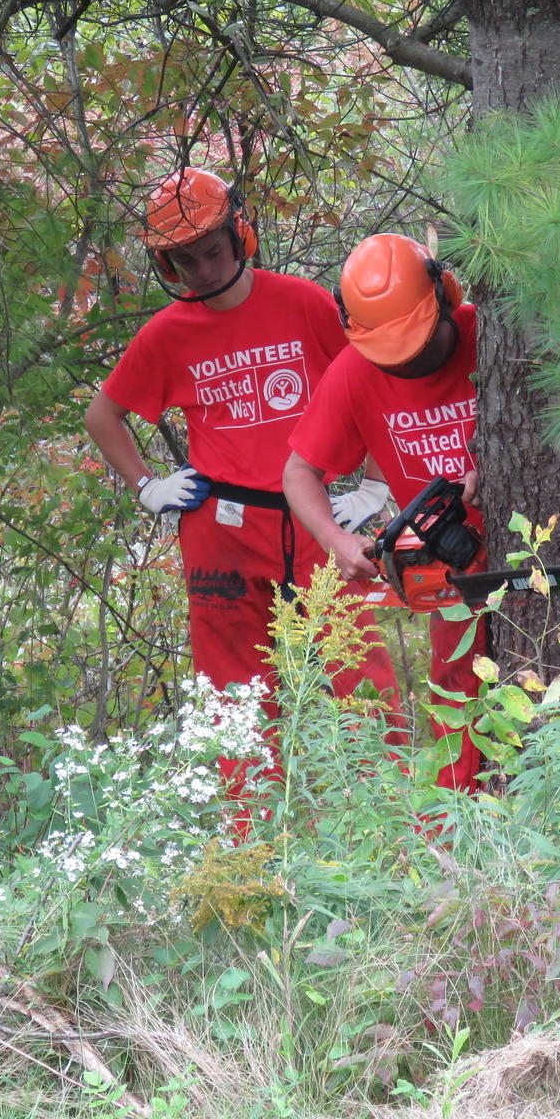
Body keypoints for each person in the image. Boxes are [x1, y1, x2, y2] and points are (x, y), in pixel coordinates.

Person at [85, 167, 398, 802]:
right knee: (236, 689)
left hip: (315, 518)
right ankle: (249, 840)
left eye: (211, 251)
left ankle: (388, 817)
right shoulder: (168, 333)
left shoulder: (302, 301)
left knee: (359, 669)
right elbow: (102, 416)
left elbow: (376, 383)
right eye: (185, 260)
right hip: (222, 526)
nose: (202, 270)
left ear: (239, 235)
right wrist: (147, 486)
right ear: (167, 265)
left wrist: (374, 486)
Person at [282, 233, 484, 793]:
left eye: (420, 346)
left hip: (534, 547)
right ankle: (458, 829)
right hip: (448, 567)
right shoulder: (355, 371)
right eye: (394, 354)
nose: (410, 362)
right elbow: (298, 474)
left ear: (445, 296)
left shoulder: (491, 337)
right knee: (455, 689)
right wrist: (336, 541)